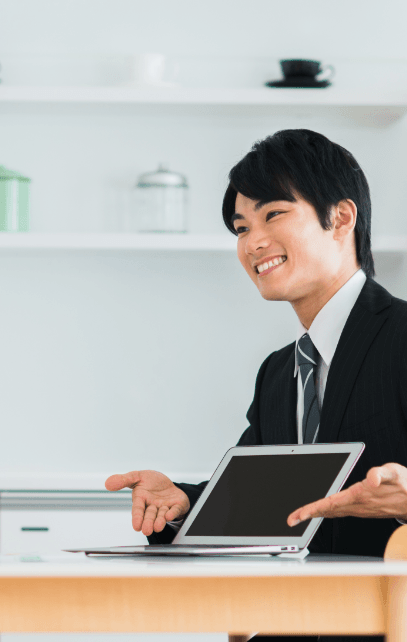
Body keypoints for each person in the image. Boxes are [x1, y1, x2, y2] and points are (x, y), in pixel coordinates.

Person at [106, 129, 407, 563]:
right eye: (242, 228)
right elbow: (258, 501)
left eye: (274, 215)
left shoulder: (400, 336)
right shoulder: (280, 372)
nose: (252, 243)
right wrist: (181, 504)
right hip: (291, 619)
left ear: (341, 218)